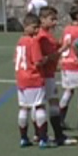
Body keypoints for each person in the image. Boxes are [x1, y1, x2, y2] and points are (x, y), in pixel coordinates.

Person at [37, 6, 75, 146]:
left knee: (43, 104)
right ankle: (58, 135)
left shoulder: (47, 34)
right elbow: (47, 57)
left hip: (49, 73)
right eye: (52, 19)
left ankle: (40, 134)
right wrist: (63, 49)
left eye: (55, 19)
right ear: (42, 19)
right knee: (52, 103)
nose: (55, 22)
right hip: (45, 75)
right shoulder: (42, 37)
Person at [14, 14, 49, 147]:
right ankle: (43, 139)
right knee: (39, 106)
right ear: (26, 26)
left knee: (24, 108)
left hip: (21, 79)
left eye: (38, 28)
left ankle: (23, 138)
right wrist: (46, 59)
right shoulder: (33, 41)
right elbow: (38, 61)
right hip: (34, 78)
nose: (36, 31)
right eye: (34, 27)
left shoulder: (20, 41)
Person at [58, 4, 78, 131]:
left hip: (66, 63)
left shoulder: (67, 29)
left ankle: (60, 119)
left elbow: (63, 43)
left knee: (68, 91)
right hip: (76, 63)